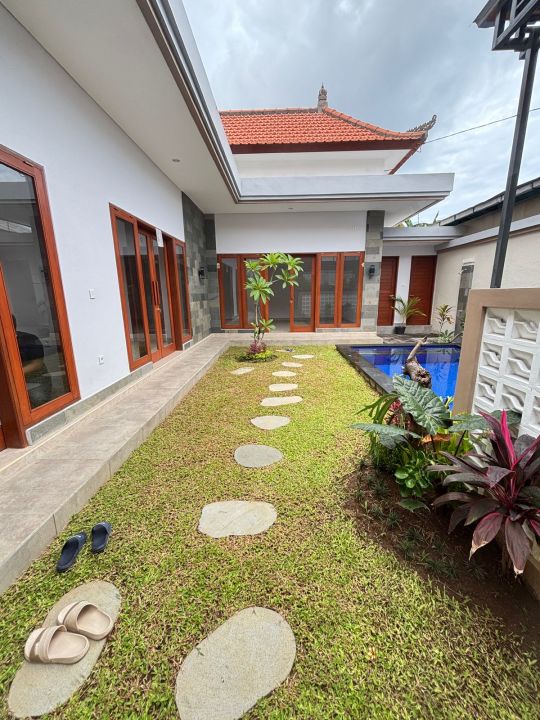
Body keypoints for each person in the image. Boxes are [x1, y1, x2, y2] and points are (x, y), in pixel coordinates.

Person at [12, 315, 52, 408]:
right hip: (13, 378)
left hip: (35, 377)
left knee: (39, 400)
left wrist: (14, 374)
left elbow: (37, 364)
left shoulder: (29, 339)